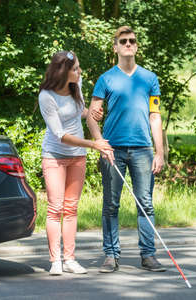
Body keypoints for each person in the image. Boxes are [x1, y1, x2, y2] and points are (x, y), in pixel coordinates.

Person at [87, 26, 166, 273]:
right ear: (116, 47)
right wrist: (100, 143)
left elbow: (155, 116)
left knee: (145, 203)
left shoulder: (150, 78)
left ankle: (148, 255)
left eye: (132, 41)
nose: (128, 44)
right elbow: (91, 116)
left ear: (137, 46)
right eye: (124, 41)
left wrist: (160, 151)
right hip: (113, 150)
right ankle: (111, 255)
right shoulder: (106, 79)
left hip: (142, 149)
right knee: (111, 204)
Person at [38, 50, 113, 275]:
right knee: (55, 208)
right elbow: (59, 134)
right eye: (75, 68)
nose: (79, 72)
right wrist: (94, 145)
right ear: (63, 71)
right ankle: (55, 261)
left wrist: (91, 113)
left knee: (71, 208)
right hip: (54, 156)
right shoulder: (46, 96)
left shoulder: (76, 85)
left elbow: (78, 111)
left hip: (77, 157)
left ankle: (70, 259)